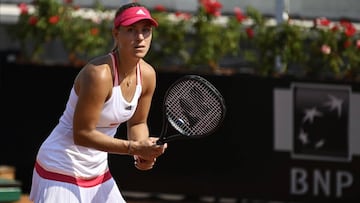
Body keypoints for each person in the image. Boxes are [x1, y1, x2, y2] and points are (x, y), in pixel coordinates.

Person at [29, 2, 167, 203]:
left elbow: (137, 123)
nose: (140, 37)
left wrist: (143, 153)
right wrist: (134, 148)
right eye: (131, 30)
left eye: (145, 30)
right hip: (61, 166)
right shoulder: (99, 74)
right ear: (116, 34)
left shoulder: (147, 75)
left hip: (97, 171)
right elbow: (82, 135)